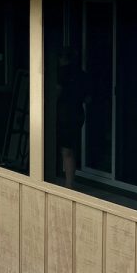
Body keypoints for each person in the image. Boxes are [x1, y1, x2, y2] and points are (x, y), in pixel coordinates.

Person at [55, 46, 88, 187]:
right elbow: (88, 98)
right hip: (78, 114)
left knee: (65, 150)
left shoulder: (62, 73)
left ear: (61, 58)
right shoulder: (82, 74)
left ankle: (68, 185)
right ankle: (69, 182)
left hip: (65, 115)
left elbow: (56, 93)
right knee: (70, 148)